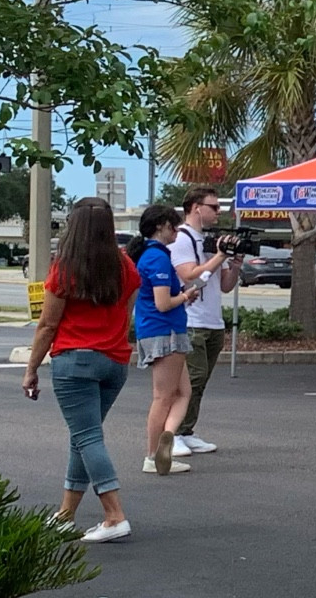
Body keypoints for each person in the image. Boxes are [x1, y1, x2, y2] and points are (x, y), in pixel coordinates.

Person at [24, 198, 138, 542]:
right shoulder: (126, 266)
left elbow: (48, 324)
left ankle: (114, 515)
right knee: (84, 436)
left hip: (75, 361)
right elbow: (127, 315)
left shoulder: (65, 268)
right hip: (115, 361)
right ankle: (65, 514)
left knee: (87, 436)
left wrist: (31, 368)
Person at [168, 186, 237, 457]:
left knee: (201, 382)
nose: (219, 212)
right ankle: (173, 433)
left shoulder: (211, 241)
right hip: (191, 320)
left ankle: (187, 431)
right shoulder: (182, 239)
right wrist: (220, 256)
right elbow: (189, 275)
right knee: (190, 381)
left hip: (213, 321)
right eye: (214, 207)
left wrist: (235, 262)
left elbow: (226, 285)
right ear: (197, 208)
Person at [133, 204, 200, 475]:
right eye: (173, 226)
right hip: (165, 331)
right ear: (160, 226)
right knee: (163, 397)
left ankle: (167, 436)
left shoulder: (148, 255)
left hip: (156, 330)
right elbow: (162, 303)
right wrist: (185, 296)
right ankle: (153, 453)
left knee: (183, 392)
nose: (176, 232)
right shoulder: (157, 258)